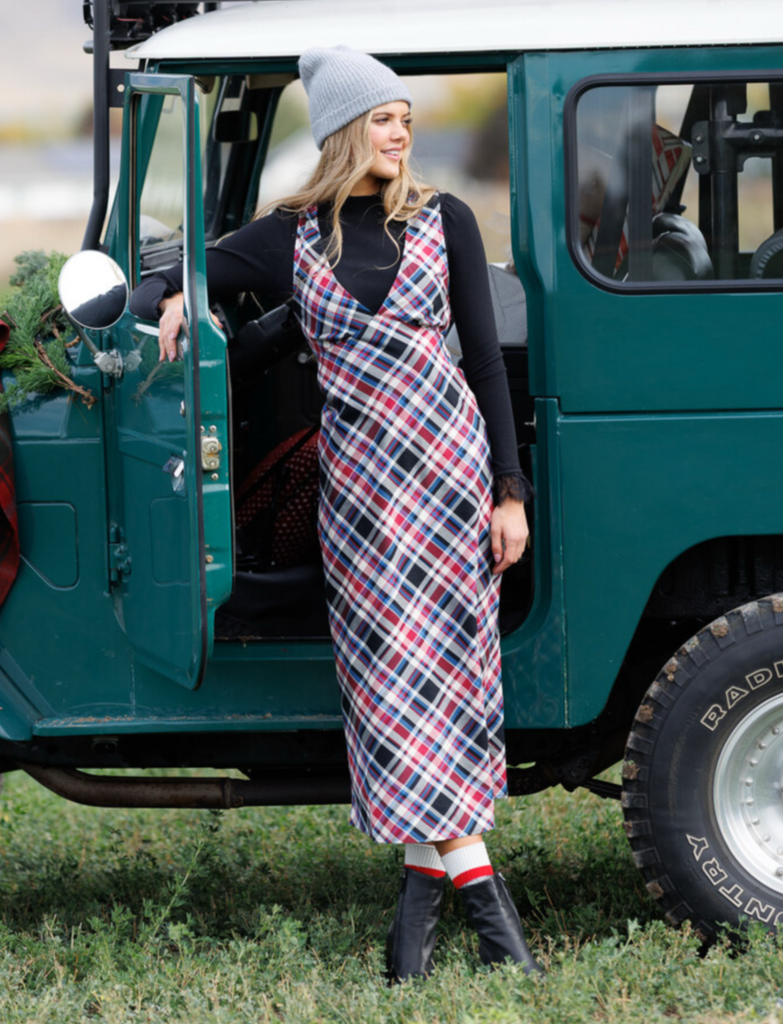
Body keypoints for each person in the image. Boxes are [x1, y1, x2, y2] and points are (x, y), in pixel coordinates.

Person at [129, 46, 541, 983]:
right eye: (384, 117)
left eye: (406, 116)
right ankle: (482, 931)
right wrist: (171, 298)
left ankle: (432, 942)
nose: (402, 131)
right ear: (343, 131)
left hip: (446, 486)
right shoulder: (291, 235)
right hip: (359, 504)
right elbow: (174, 274)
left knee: (451, 696)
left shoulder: (446, 221)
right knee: (395, 703)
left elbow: (482, 365)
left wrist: (509, 493)